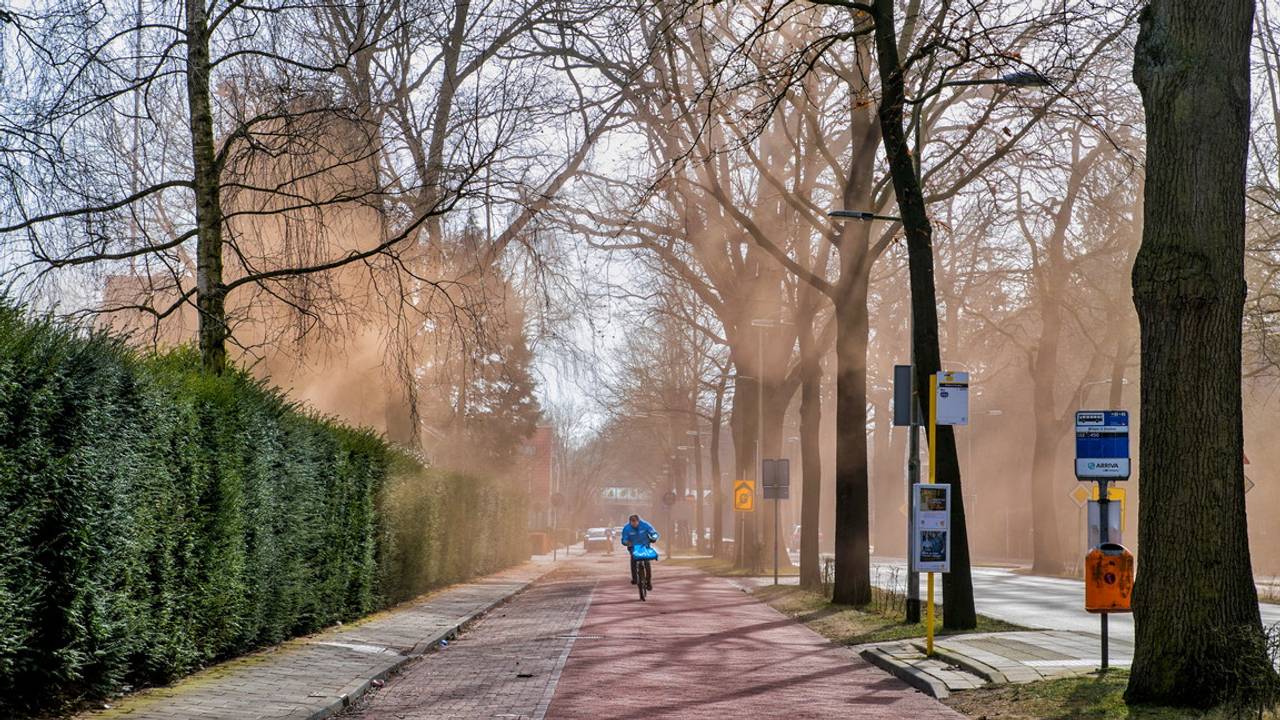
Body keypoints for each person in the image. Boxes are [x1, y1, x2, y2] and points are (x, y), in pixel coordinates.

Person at [620, 514, 659, 586]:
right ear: (630, 522)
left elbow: (653, 532)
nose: (634, 524)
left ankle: (648, 581)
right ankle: (635, 579)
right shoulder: (626, 528)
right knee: (633, 560)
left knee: (647, 563)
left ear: (638, 521)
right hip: (633, 547)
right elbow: (624, 539)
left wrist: (654, 537)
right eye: (632, 522)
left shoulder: (645, 525)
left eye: (635, 522)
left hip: (645, 546)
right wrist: (626, 542)